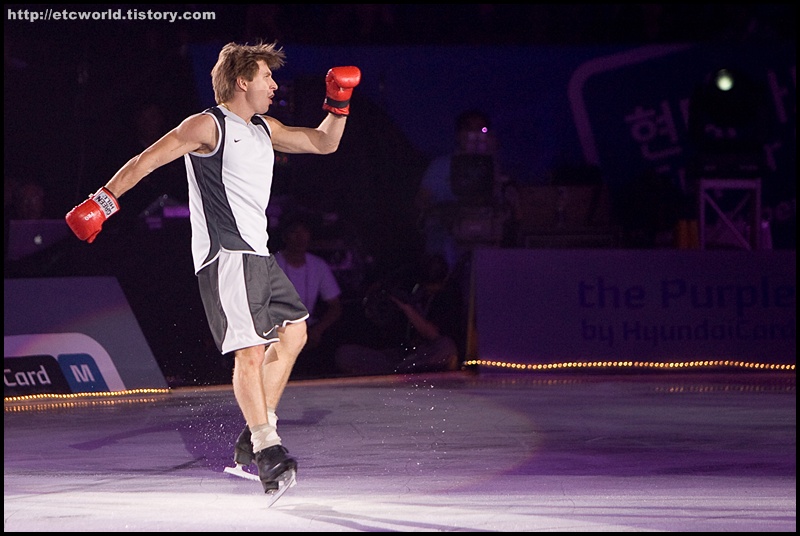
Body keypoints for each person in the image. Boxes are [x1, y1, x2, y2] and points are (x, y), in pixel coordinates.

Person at [64, 41, 361, 495]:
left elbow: (323, 142)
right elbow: (148, 158)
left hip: (259, 255)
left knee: (295, 331)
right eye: (267, 77)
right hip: (227, 254)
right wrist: (102, 203)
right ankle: (266, 448)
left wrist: (338, 102)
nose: (274, 85)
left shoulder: (265, 128)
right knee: (251, 352)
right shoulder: (208, 125)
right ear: (243, 81)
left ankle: (251, 437)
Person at [414, 109, 520, 272]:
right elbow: (421, 202)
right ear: (458, 135)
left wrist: (493, 156)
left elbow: (510, 204)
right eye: (469, 129)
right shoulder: (440, 167)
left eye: (482, 129)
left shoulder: (496, 169)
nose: (475, 134)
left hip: (487, 241)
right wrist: (442, 213)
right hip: (448, 242)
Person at [334, 253, 465, 376]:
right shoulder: (413, 289)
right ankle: (398, 371)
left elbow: (433, 335)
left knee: (447, 348)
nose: (429, 289)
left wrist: (407, 307)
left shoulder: (449, 297)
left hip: (428, 355)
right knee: (344, 354)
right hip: (404, 355)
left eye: (433, 286)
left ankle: (401, 372)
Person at [273, 212, 343, 378]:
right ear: (285, 236)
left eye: (304, 232)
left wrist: (318, 330)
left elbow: (335, 306)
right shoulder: (272, 264)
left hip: (308, 331)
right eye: (294, 232)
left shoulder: (317, 265)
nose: (300, 237)